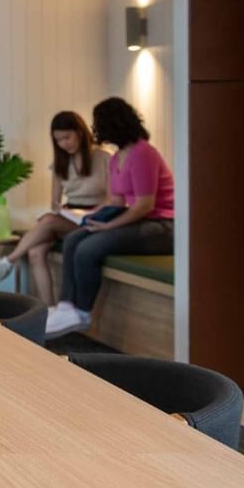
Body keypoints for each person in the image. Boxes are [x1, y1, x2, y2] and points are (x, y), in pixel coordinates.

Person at [45, 97, 175, 339]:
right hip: (138, 219)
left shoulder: (143, 153)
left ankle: (82, 313)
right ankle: (66, 307)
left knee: (89, 248)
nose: (96, 130)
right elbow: (116, 202)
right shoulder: (117, 158)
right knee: (75, 239)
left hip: (162, 225)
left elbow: (145, 205)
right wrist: (89, 219)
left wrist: (108, 226)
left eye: (99, 124)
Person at [0, 111, 111, 306]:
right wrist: (65, 212)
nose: (64, 144)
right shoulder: (61, 162)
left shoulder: (104, 157)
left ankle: (7, 262)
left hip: (96, 219)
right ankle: (49, 311)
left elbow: (115, 198)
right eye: (58, 140)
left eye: (67, 137)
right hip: (69, 217)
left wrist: (88, 213)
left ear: (80, 133)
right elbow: (55, 203)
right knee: (35, 252)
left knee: (48, 220)